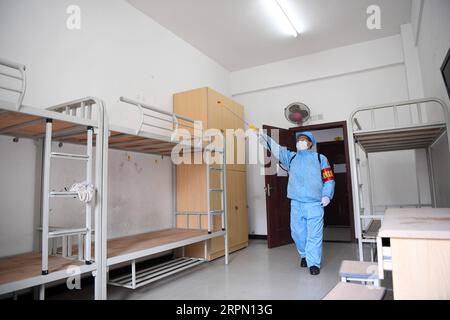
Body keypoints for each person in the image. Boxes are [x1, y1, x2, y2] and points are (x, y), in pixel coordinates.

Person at [257, 130, 335, 275]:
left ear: (310, 143)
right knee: (297, 233)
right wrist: (264, 137)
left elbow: (329, 179)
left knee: (314, 235)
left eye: (305, 139)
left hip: (315, 204)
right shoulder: (290, 157)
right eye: (299, 139)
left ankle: (313, 263)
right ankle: (304, 254)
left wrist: (327, 195)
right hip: (296, 203)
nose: (301, 141)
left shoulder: (320, 158)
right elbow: (276, 149)